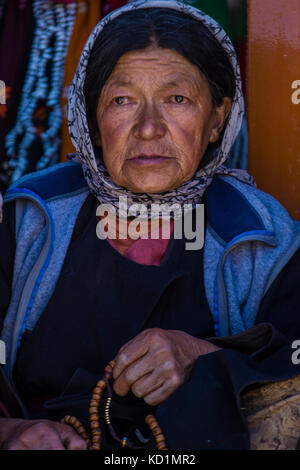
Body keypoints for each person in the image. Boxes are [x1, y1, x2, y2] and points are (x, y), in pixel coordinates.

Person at [0, 0, 299, 450]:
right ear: (92, 121)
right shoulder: (28, 216)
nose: (147, 128)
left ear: (217, 117)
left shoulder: (263, 237)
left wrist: (201, 354)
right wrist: (11, 431)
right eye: (122, 100)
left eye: (177, 99)